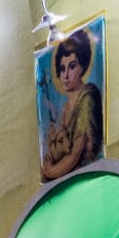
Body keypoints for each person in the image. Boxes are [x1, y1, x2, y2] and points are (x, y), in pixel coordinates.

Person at [40, 27, 103, 182]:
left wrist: (50, 171)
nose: (66, 76)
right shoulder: (67, 106)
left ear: (82, 66)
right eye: (62, 69)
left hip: (89, 177)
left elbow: (75, 153)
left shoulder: (86, 99)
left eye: (72, 66)